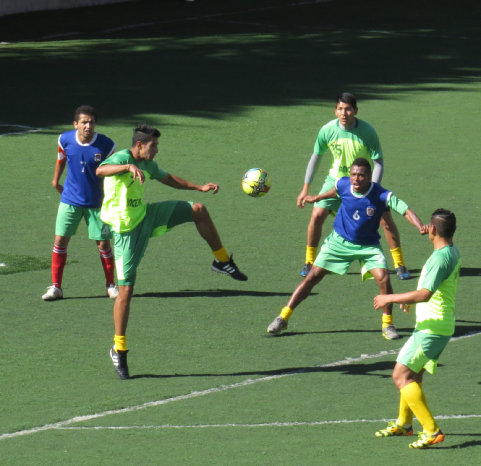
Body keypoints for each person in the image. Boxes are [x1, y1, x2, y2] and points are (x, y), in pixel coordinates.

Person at [97, 124, 247, 380]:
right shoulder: (123, 157)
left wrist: (198, 187)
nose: (156, 150)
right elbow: (100, 170)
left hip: (145, 217)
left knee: (198, 210)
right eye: (153, 146)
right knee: (126, 292)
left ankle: (221, 261)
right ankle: (119, 349)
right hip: (125, 234)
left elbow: (168, 179)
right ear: (140, 145)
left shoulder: (149, 165)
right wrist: (127, 167)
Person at [267, 158, 426, 340]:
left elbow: (405, 210)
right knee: (312, 277)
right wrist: (317, 198)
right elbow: (334, 190)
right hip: (338, 243)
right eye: (353, 175)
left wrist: (420, 226)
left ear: (369, 177)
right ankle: (283, 317)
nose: (356, 179)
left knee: (383, 278)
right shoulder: (344, 184)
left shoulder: (381, 195)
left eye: (361, 175)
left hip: (368, 247)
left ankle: (387, 324)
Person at [297, 92, 410, 280]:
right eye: (340, 109)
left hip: (362, 182)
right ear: (335, 111)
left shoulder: (367, 132)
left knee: (385, 220)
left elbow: (378, 162)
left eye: (348, 109)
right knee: (316, 214)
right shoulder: (327, 130)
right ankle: (309, 262)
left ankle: (399, 264)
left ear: (355, 111)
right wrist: (305, 188)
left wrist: (372, 188)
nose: (344, 113)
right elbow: (316, 157)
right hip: (335, 181)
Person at [373, 209, 460, 449]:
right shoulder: (450, 252)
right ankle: (404, 424)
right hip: (436, 325)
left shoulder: (440, 258)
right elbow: (429, 288)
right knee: (414, 375)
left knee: (401, 375)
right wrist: (408, 299)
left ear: (432, 229)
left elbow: (425, 294)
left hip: (432, 328)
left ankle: (431, 430)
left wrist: (390, 297)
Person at [42, 105, 118, 301]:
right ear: (75, 124)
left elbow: (112, 173)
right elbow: (61, 159)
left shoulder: (106, 145)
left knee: (103, 244)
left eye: (91, 122)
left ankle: (111, 285)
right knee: (60, 241)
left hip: (97, 203)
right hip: (70, 201)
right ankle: (56, 287)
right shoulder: (65, 139)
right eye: (84, 122)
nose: (88, 126)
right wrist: (55, 180)